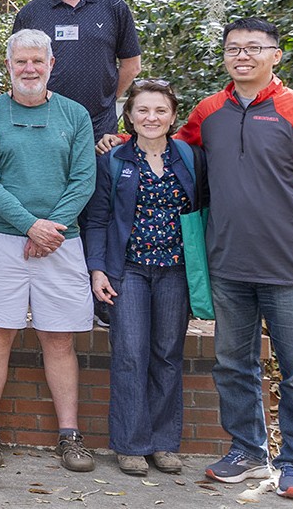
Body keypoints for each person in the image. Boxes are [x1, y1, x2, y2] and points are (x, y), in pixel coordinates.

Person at [177, 18, 293, 500]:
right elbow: (171, 147)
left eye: (254, 48)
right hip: (228, 264)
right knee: (233, 364)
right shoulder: (209, 111)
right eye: (233, 48)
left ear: (276, 54)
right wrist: (120, 143)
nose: (242, 56)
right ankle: (248, 452)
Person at [0, 29, 97, 473]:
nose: (29, 69)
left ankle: (70, 435)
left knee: (59, 340)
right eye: (20, 62)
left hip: (62, 242)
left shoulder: (75, 116)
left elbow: (83, 179)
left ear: (51, 65)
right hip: (2, 240)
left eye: (37, 62)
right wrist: (29, 225)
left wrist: (50, 229)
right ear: (8, 66)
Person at [85, 79, 204, 479]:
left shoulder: (190, 158)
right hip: (128, 270)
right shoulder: (113, 160)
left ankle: (164, 443)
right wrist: (98, 269)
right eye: (142, 111)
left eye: (160, 111)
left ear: (173, 116)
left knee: (167, 355)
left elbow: (205, 214)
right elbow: (98, 219)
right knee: (131, 354)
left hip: (176, 270)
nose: (151, 118)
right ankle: (131, 445)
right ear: (129, 116)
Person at [13, 0, 140, 140]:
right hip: (45, 125)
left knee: (98, 174)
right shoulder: (31, 14)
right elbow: (18, 69)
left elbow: (132, 65)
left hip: (99, 129)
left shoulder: (113, 7)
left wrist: (107, 101)